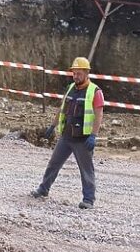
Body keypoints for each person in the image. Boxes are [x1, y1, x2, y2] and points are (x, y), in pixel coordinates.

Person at [31, 57, 104, 209]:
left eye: (79, 73)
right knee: (53, 164)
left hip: (82, 139)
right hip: (66, 136)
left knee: (86, 170)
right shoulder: (71, 88)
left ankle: (88, 200)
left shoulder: (95, 91)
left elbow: (98, 115)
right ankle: (43, 189)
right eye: (74, 73)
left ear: (86, 73)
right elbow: (62, 108)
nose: (76, 76)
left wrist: (93, 135)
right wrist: (53, 125)